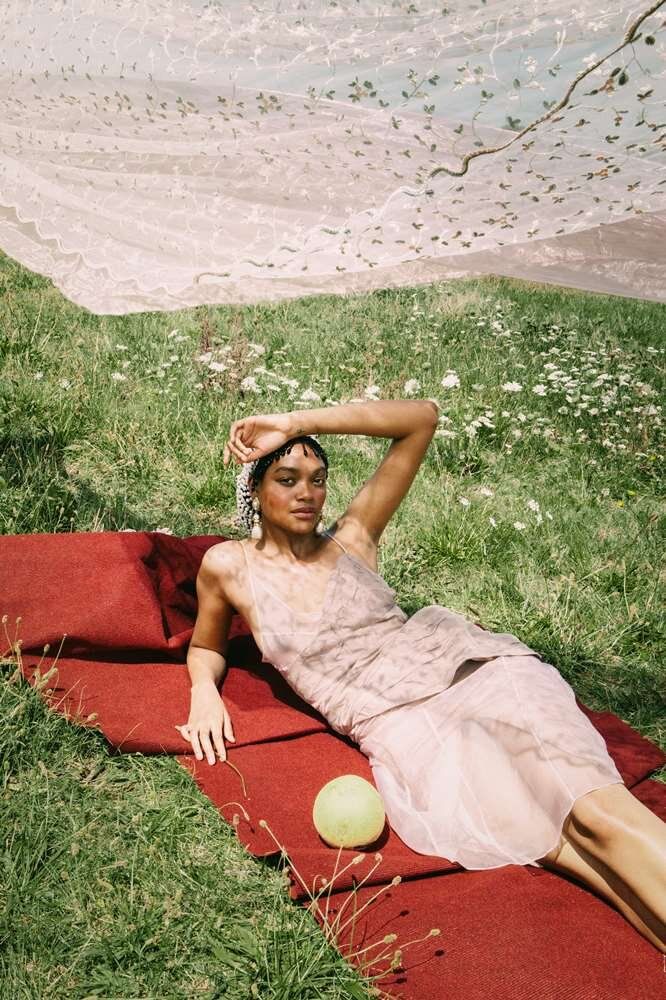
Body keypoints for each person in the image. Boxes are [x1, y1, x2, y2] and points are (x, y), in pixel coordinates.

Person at [177, 399, 666, 952]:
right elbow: (205, 645)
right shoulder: (227, 567)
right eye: (287, 479)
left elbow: (422, 418)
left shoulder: (352, 536)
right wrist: (203, 691)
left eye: (317, 480)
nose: (306, 493)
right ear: (254, 490)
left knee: (594, 810)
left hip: (471, 675)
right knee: (553, 839)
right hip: (402, 728)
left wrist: (296, 423)